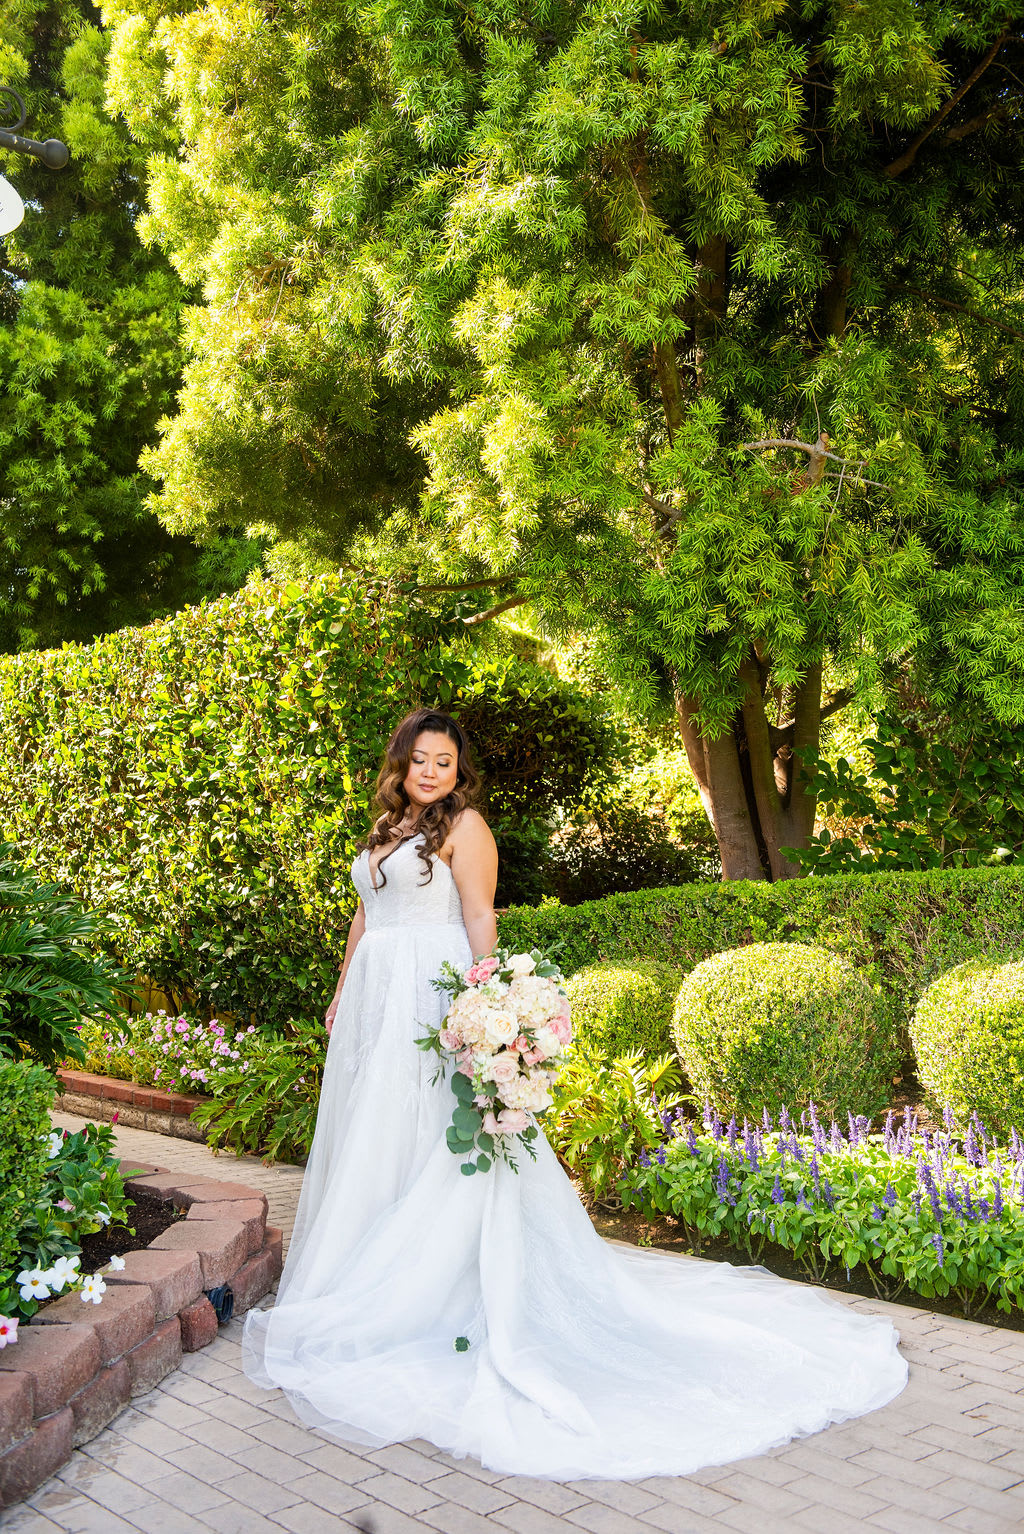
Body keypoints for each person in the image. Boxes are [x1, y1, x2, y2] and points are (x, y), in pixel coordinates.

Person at [242, 707, 907, 1480]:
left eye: (444, 763)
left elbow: (479, 916)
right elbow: (365, 914)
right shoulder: (384, 829)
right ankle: (367, 1267)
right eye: (420, 760)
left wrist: (486, 1008)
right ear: (400, 763)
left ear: (459, 773)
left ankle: (437, 1287)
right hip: (374, 1000)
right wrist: (342, 987)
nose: (431, 772)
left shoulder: (467, 829)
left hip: (430, 993)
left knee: (432, 1130)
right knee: (377, 1131)